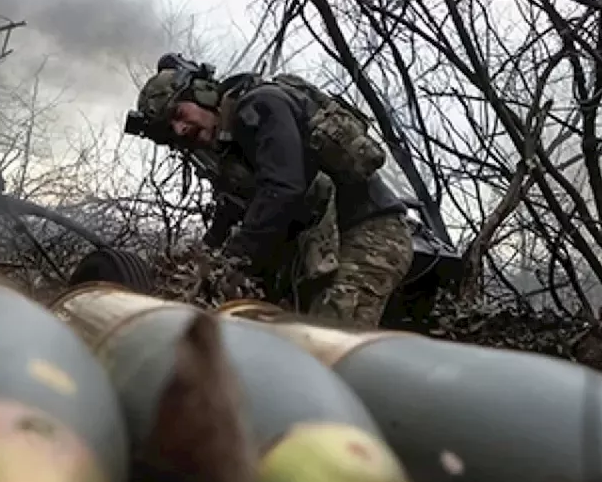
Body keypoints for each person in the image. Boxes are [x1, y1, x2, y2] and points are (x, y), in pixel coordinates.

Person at [135, 54, 413, 327]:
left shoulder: (260, 105)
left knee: (329, 345)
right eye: (171, 128)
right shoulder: (233, 146)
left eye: (179, 114)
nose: (180, 129)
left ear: (203, 94)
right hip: (325, 246)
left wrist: (232, 260)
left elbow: (282, 188)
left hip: (369, 234)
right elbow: (235, 210)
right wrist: (202, 261)